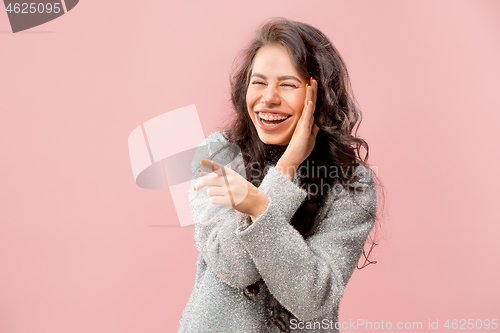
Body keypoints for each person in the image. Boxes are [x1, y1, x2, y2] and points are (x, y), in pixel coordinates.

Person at [178, 17, 380, 333]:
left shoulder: (351, 183)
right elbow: (233, 268)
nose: (269, 98)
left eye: (287, 84)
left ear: (320, 96)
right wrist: (285, 171)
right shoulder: (216, 154)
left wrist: (259, 206)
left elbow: (312, 301)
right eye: (258, 82)